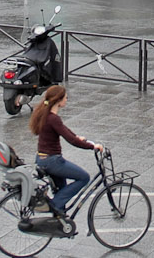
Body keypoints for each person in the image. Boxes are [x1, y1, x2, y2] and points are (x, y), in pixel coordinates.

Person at [28, 86, 102, 217]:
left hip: (42, 158)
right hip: (52, 161)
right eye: (65, 97)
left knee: (62, 189)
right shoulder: (53, 118)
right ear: (59, 101)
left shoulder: (46, 114)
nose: (67, 99)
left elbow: (64, 129)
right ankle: (54, 205)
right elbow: (71, 140)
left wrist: (77, 136)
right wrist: (92, 146)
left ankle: (59, 222)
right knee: (84, 177)